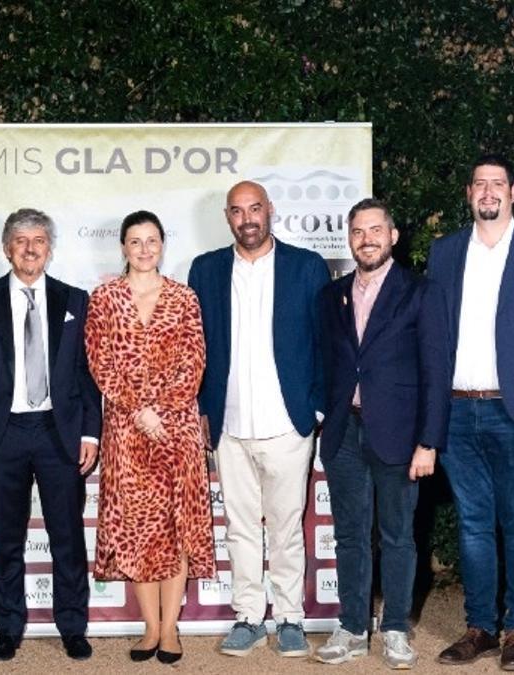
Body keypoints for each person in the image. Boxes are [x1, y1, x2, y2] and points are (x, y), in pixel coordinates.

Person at [427, 155, 514, 670]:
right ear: (469, 194)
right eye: (479, 183)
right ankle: (480, 627)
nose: (488, 191)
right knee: (473, 523)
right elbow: (434, 336)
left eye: (497, 184)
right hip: (458, 410)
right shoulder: (444, 253)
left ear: (513, 193)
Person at [187, 180, 329, 658]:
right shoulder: (205, 270)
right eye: (237, 211)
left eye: (255, 209)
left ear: (270, 210)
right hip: (228, 425)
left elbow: (325, 342)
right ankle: (248, 615)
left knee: (287, 528)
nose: (247, 219)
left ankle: (289, 616)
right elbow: (197, 349)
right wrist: (204, 411)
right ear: (227, 217)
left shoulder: (306, 267)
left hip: (288, 423)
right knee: (240, 527)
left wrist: (315, 407)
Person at [315, 198, 450, 669]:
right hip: (344, 434)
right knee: (350, 536)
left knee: (397, 536)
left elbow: (436, 371)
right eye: (357, 231)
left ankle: (394, 627)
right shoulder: (331, 297)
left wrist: (428, 441)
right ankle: (352, 626)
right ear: (349, 238)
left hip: (399, 436)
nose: (366, 239)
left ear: (392, 236)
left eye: (375, 230)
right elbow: (328, 364)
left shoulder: (420, 292)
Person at [0, 208, 102, 662]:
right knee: (4, 539)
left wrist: (91, 434)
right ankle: (8, 627)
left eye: (38, 240)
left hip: (57, 433)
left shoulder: (75, 300)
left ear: (49, 248)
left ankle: (72, 626)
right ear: (6, 248)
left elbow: (87, 375)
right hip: (1, 433)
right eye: (21, 240)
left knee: (66, 537)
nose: (29, 248)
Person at [85, 211, 214, 665]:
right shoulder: (104, 298)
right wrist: (138, 410)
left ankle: (172, 628)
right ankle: (150, 628)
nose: (144, 249)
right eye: (135, 241)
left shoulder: (184, 299)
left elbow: (193, 362)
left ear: (163, 245)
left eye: (151, 240)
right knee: (138, 530)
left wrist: (160, 410)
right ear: (122, 247)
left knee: (174, 529)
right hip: (126, 430)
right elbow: (100, 363)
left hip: (176, 428)